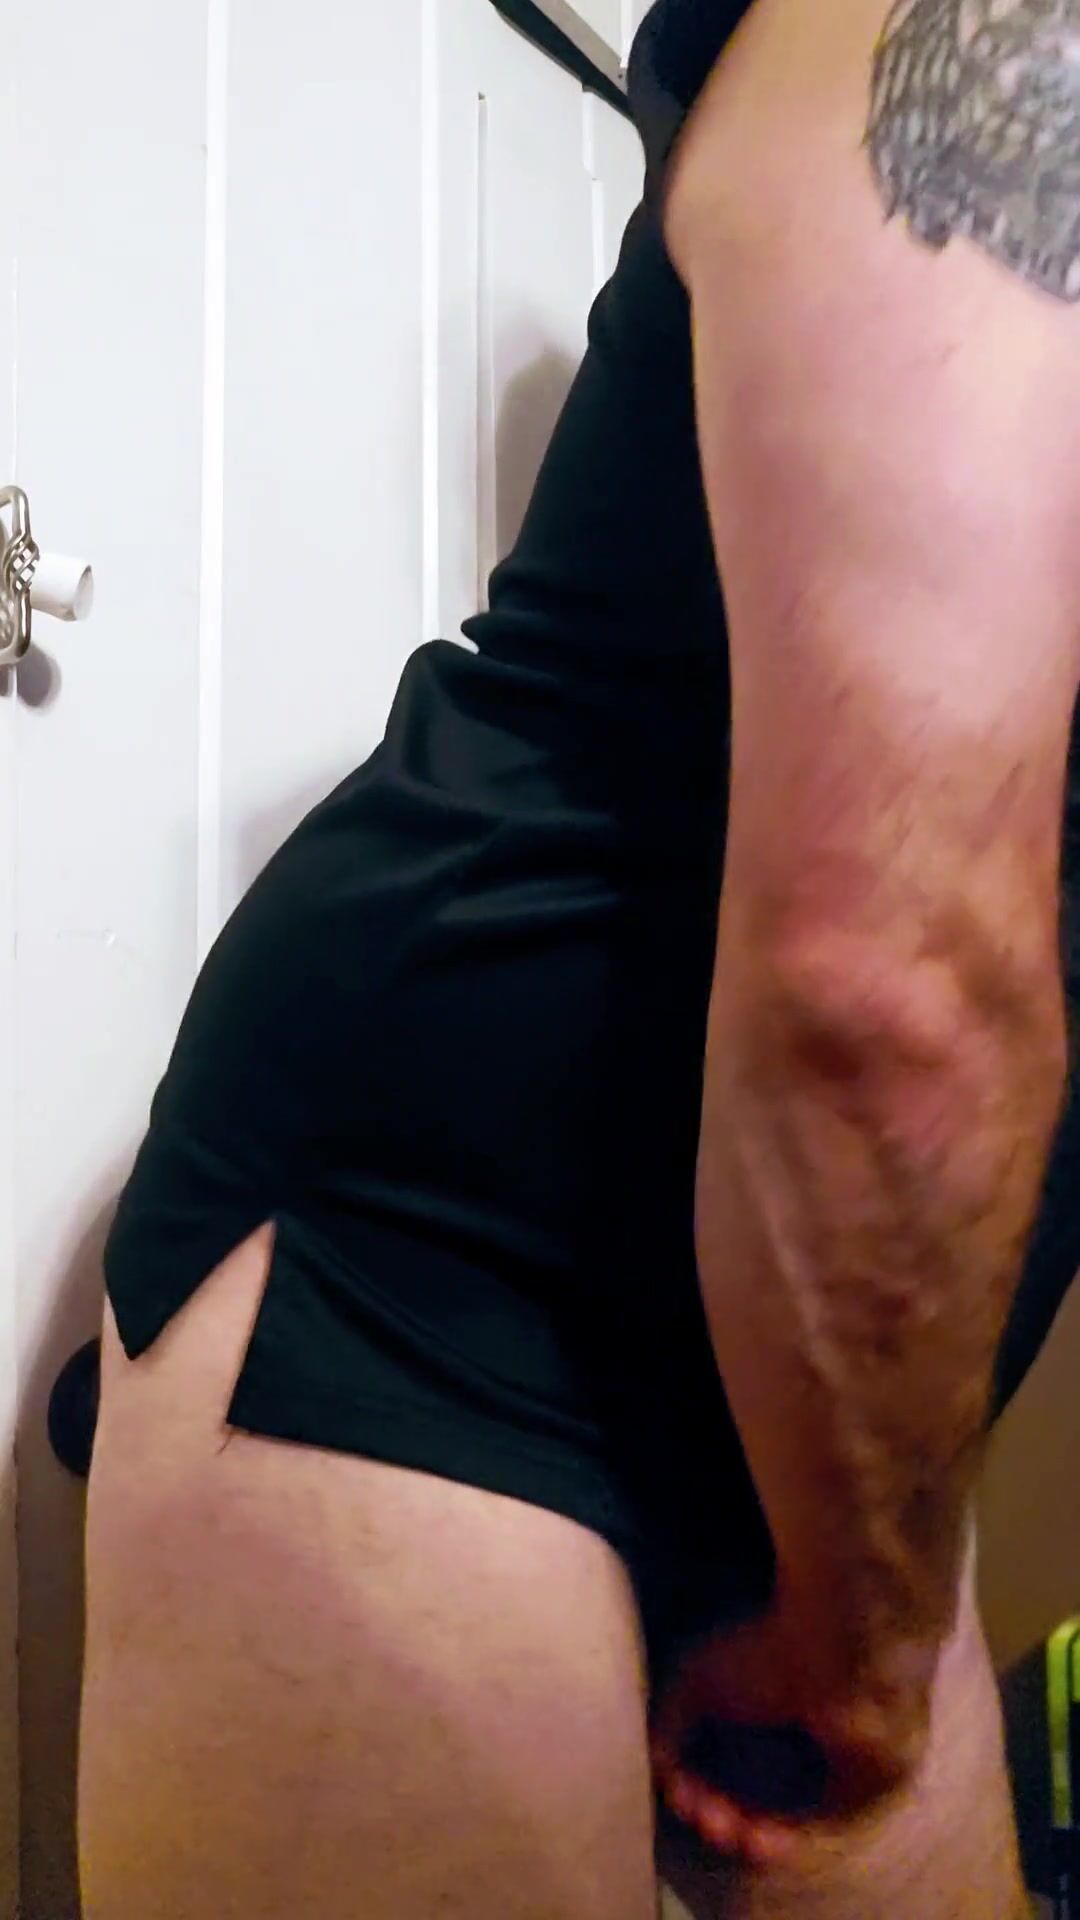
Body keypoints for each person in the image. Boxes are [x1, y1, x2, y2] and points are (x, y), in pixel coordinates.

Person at [78, 0, 1080, 1913]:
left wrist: (874, 1574)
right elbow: (891, 989)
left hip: (846, 1414)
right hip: (451, 1291)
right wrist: (874, 1638)